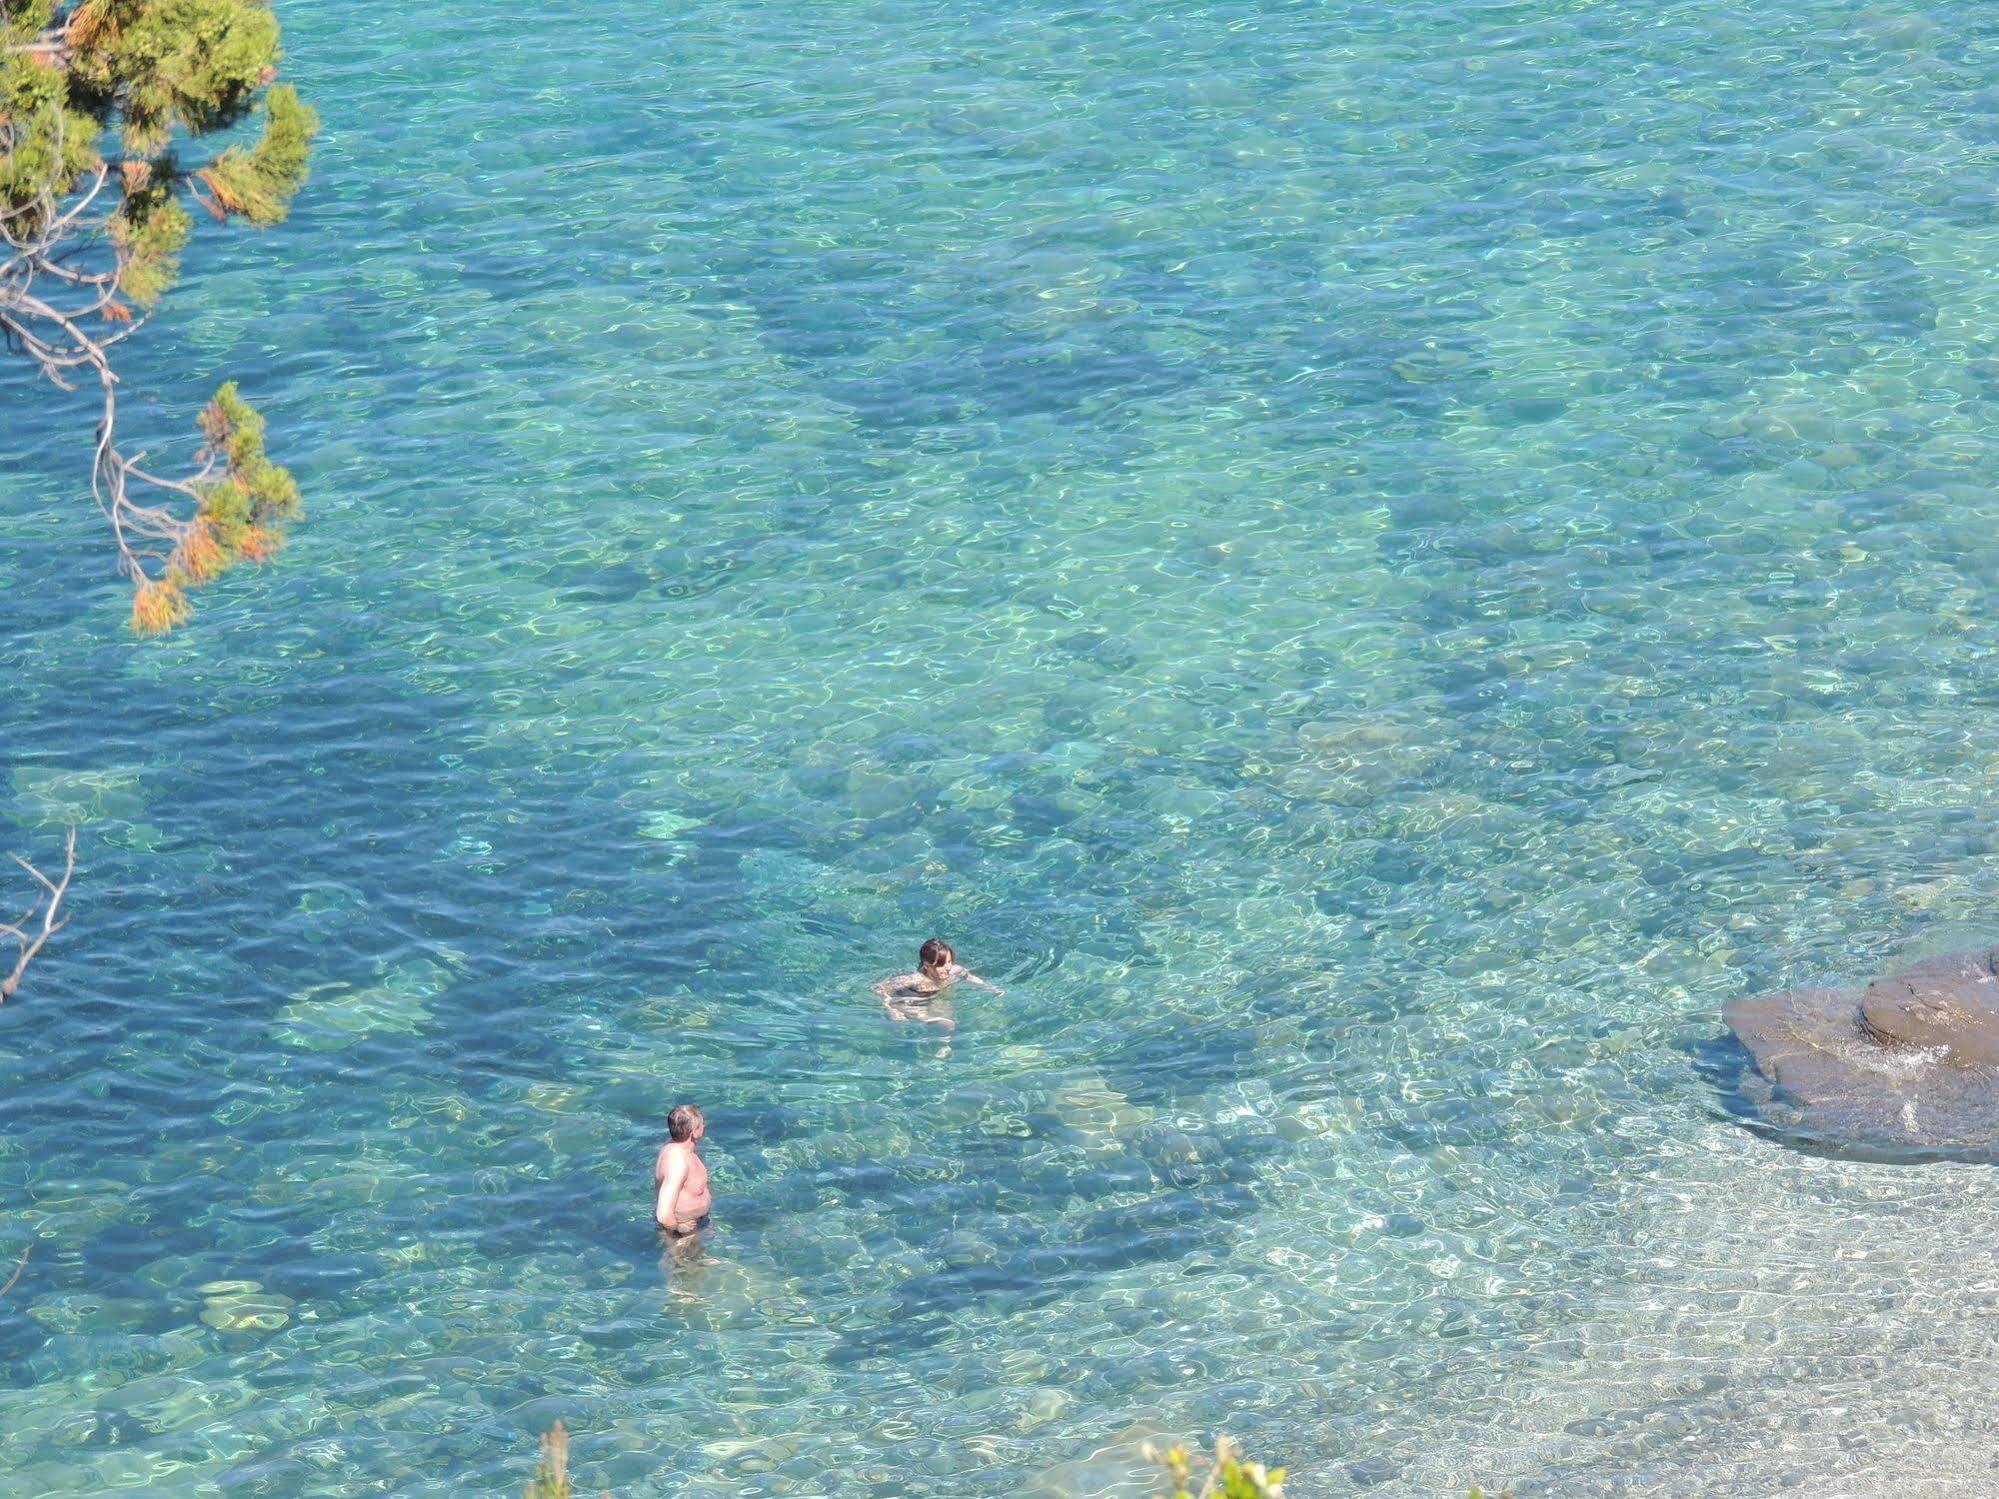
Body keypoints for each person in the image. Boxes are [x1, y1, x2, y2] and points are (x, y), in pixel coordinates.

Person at [874, 938, 1002, 1029]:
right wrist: (889, 1008)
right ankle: (926, 1022)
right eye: (941, 964)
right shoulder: (914, 980)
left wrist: (990, 987)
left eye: (949, 961)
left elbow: (967, 975)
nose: (947, 967)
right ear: (927, 965)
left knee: (947, 1016)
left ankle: (944, 1044)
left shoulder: (954, 970)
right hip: (915, 998)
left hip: (936, 995)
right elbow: (879, 989)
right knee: (913, 1014)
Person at [653, 1103, 711, 1236]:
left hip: (694, 1223)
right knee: (691, 1258)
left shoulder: (676, 1147)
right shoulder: (677, 1163)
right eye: (702, 1124)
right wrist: (679, 1229)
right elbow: (663, 1215)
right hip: (682, 1230)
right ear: (694, 1132)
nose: (704, 1126)